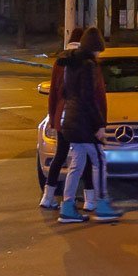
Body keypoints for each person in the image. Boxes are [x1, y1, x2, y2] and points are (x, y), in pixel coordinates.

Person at [58, 27, 122, 223]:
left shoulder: (71, 63)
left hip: (71, 120)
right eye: (98, 50)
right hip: (84, 123)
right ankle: (102, 204)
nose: (98, 54)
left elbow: (65, 93)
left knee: (76, 165)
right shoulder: (89, 66)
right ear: (95, 48)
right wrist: (99, 125)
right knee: (100, 161)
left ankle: (67, 207)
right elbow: (89, 98)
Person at [40, 29, 94, 209]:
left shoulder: (59, 61)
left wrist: (52, 117)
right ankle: (89, 200)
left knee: (60, 155)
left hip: (62, 116)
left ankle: (47, 197)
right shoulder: (86, 60)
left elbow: (53, 93)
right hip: (79, 116)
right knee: (85, 158)